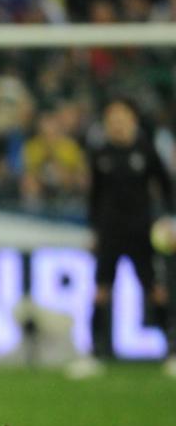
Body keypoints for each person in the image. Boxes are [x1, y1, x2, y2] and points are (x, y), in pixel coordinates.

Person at [67, 98, 175, 378]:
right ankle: (94, 354)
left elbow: (166, 188)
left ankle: (172, 353)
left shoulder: (146, 151)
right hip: (109, 233)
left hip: (141, 232)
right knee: (101, 291)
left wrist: (168, 221)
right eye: (111, 118)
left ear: (133, 120)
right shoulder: (101, 154)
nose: (116, 123)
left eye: (121, 117)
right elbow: (94, 197)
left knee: (155, 291)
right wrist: (93, 231)